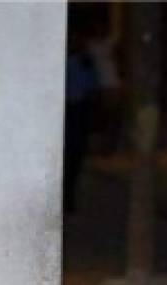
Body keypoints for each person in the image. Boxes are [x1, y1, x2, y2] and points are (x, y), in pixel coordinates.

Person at [63, 32, 100, 214]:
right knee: (71, 157)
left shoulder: (83, 61)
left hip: (76, 110)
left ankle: (68, 199)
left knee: (73, 157)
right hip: (71, 110)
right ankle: (68, 198)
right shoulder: (76, 61)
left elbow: (92, 87)